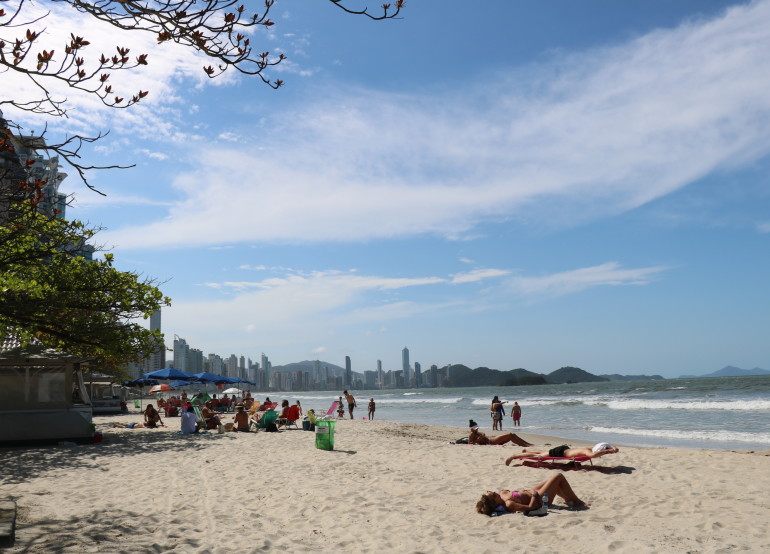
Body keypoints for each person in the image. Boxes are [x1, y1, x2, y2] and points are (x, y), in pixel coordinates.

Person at [475, 474, 589, 516]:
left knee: (554, 483)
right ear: (495, 503)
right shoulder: (509, 504)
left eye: (491, 491)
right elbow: (530, 508)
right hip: (539, 499)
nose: (495, 492)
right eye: (493, 495)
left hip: (531, 492)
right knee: (558, 477)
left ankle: (568, 499)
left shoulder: (502, 496)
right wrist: (534, 495)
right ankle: (577, 502)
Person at [505, 442, 620, 465]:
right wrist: (610, 450)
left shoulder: (590, 448)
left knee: (544, 453)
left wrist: (613, 448)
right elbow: (593, 455)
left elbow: (609, 446)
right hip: (561, 452)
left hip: (564, 450)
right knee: (539, 456)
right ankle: (514, 456)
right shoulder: (587, 451)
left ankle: (527, 452)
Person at [467, 420, 533, 447]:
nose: (477, 429)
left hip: (492, 439)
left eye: (477, 428)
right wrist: (477, 440)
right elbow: (470, 444)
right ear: (471, 429)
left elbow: (482, 433)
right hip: (492, 441)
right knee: (510, 435)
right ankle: (527, 445)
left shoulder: (477, 432)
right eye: (475, 428)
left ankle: (527, 444)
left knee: (512, 435)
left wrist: (482, 435)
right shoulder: (471, 434)